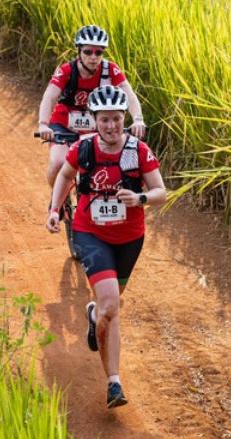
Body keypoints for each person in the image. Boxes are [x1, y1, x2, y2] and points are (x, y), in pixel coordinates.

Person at [45, 85, 167, 409]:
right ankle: (114, 382)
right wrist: (54, 209)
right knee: (112, 304)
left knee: (107, 308)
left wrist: (139, 198)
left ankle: (92, 313)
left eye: (116, 119)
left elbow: (160, 192)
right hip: (90, 233)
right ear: (95, 121)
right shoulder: (84, 149)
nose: (111, 127)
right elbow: (65, 176)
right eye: (104, 121)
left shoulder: (138, 151)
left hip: (130, 239)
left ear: (123, 119)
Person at [36, 25, 146, 188]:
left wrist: (138, 120)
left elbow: (129, 94)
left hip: (97, 127)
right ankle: (57, 202)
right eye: (88, 52)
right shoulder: (67, 70)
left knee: (106, 167)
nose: (93, 57)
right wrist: (43, 124)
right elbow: (50, 96)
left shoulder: (110, 70)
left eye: (98, 52)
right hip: (63, 125)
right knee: (59, 163)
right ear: (79, 51)